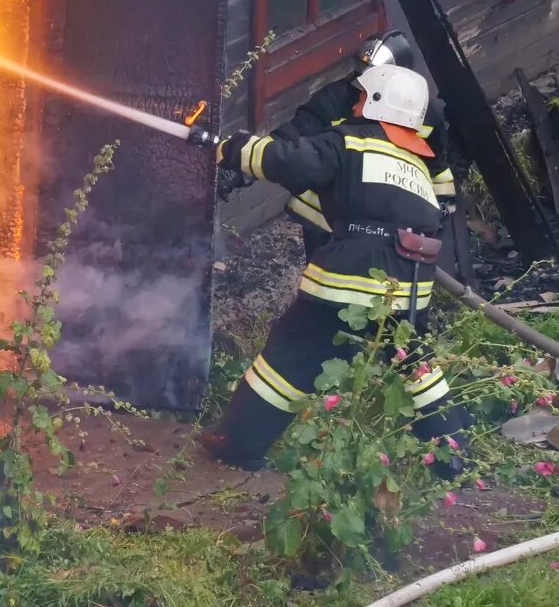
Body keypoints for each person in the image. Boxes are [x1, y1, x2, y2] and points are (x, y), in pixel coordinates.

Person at [198, 64, 472, 476]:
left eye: (361, 97)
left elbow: (290, 161)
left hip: (348, 285)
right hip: (408, 293)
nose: (355, 105)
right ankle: (455, 460)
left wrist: (234, 149)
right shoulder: (416, 164)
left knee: (288, 356)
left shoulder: (350, 142)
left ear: (378, 103)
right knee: (415, 367)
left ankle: (238, 443)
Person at [270, 31, 457, 263]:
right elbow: (288, 138)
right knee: (326, 274)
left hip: (385, 218)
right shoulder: (336, 99)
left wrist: (440, 210)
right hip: (323, 216)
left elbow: (436, 166)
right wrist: (238, 170)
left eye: (372, 82)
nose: (361, 91)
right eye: (361, 77)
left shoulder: (427, 115)